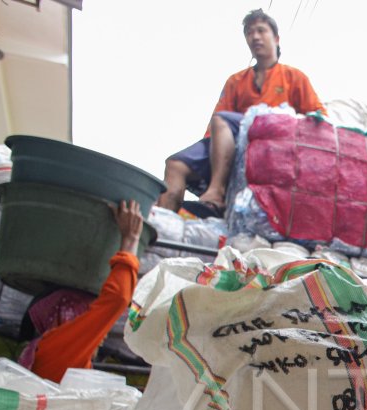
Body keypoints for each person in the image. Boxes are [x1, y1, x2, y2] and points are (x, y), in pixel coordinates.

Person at [157, 8, 324, 217]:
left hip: (271, 143)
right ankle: (162, 223)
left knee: (222, 121)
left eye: (261, 31)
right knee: (175, 164)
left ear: (276, 38)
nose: (255, 36)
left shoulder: (294, 77)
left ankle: (216, 193)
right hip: (231, 141)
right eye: (249, 32)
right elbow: (214, 129)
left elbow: (318, 116)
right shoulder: (236, 81)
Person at [18, 200, 143, 383]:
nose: (104, 334)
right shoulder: (58, 349)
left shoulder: (52, 356)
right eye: (90, 314)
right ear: (70, 318)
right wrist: (130, 239)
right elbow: (117, 299)